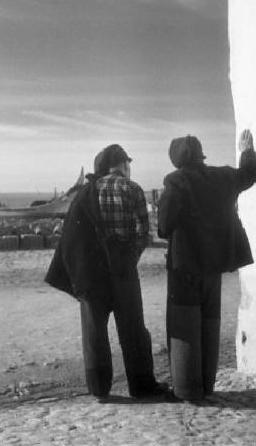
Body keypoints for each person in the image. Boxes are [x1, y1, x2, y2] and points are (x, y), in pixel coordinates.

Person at [46, 144, 166, 400]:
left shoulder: (85, 193)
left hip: (92, 272)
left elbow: (72, 237)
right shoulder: (132, 189)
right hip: (123, 270)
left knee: (94, 332)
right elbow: (142, 233)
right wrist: (129, 260)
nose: (129, 168)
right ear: (122, 164)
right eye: (128, 164)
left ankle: (99, 388)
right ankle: (141, 386)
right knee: (133, 329)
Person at [157, 130, 256, 401]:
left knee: (185, 325)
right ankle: (206, 386)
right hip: (215, 266)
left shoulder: (176, 182)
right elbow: (249, 174)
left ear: (176, 159)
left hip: (184, 266)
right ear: (201, 154)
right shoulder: (223, 177)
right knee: (210, 324)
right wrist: (246, 151)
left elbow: (164, 227)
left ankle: (187, 390)